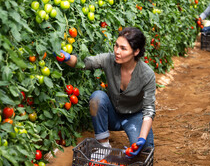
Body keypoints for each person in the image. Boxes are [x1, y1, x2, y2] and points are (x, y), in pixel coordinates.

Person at [55, 27, 155, 158]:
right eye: (116, 46)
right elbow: (84, 63)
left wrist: (141, 138)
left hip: (134, 116)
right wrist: (66, 57)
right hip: (112, 114)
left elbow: (149, 110)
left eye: (123, 48)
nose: (117, 51)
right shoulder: (109, 60)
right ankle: (103, 146)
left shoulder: (147, 75)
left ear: (136, 51)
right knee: (97, 97)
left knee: (144, 152)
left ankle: (141, 140)